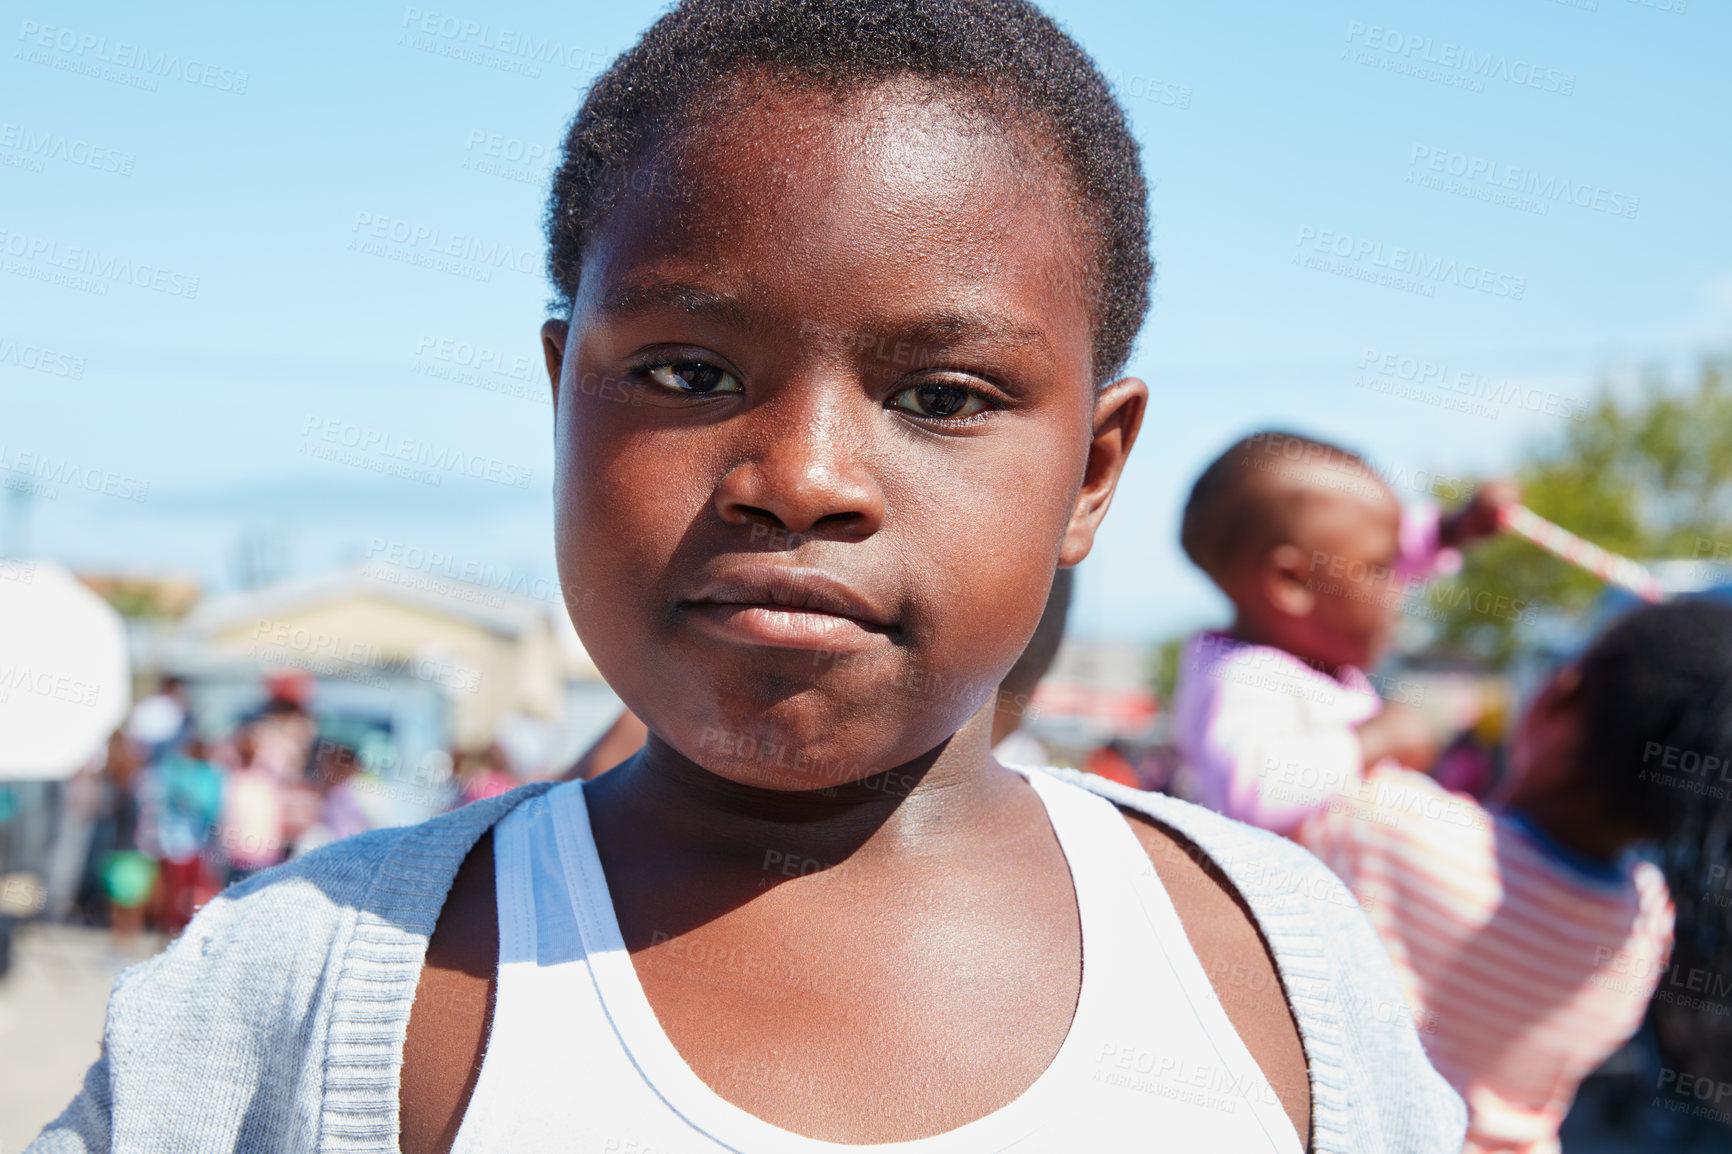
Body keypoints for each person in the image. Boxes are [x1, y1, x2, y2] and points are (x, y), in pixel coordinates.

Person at [33, 4, 1464, 1151]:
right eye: (687, 371)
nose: (804, 473)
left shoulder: (1267, 962)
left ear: (1094, 473)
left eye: (947, 395)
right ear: (561, 400)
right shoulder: (309, 979)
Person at [1296, 598, 1732, 1154]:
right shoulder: (1648, 922)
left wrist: (1381, 735)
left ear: (1560, 694)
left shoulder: (1386, 825)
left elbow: (1271, 798)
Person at [1172, 430, 1512, 835]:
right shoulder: (1243, 678)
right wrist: (1374, 741)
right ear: (1290, 582)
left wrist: (1453, 529)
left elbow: (1358, 560)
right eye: (1382, 570)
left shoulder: (1303, 653)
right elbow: (1252, 792)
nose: (1400, 589)